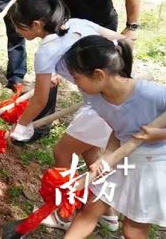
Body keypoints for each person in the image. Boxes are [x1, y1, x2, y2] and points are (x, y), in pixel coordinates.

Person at [7, 0, 126, 231]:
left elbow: (40, 100)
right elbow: (122, 40)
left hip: (102, 106)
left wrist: (21, 125)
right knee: (90, 151)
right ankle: (108, 213)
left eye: (19, 28)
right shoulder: (78, 23)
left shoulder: (46, 50)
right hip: (119, 97)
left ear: (36, 25)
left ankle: (66, 213)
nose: (18, 33)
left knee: (62, 151)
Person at [63, 36, 166, 238]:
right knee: (89, 211)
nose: (75, 83)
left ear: (99, 75)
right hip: (122, 157)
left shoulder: (153, 94)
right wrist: (107, 155)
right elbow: (117, 128)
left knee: (132, 230)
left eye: (77, 77)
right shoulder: (94, 96)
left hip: (154, 166)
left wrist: (159, 134)